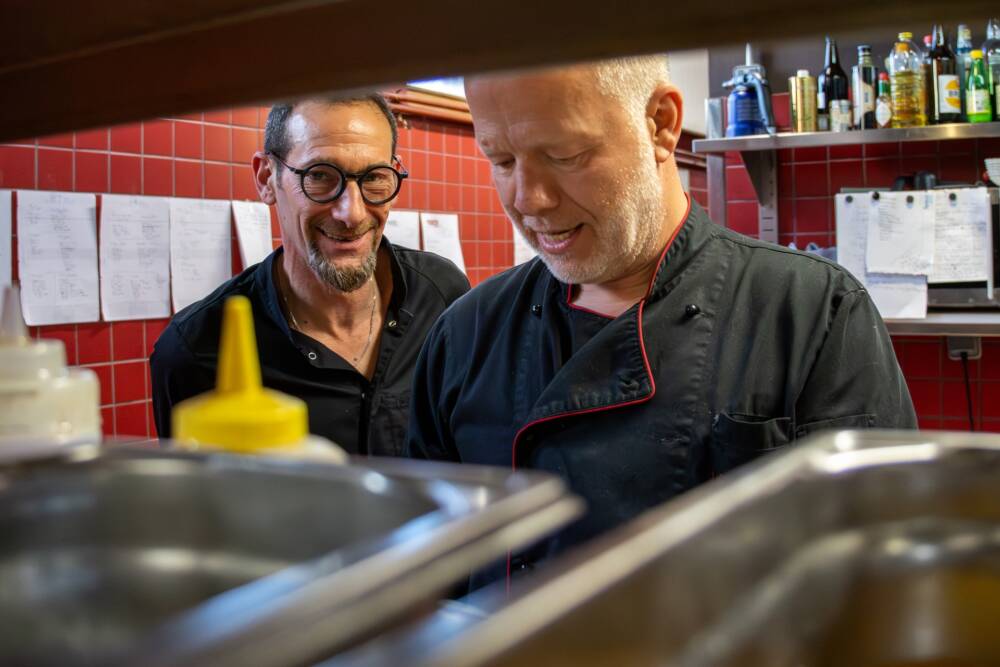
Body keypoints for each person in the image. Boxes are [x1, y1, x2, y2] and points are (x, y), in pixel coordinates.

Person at [405, 57, 916, 585]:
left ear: (660, 123)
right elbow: (430, 575)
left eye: (564, 155)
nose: (528, 198)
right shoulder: (466, 332)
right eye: (502, 160)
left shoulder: (813, 311)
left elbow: (877, 574)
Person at [151, 94, 469, 455]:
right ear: (267, 178)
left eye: (375, 177)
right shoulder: (197, 350)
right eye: (319, 176)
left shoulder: (443, 296)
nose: (352, 213)